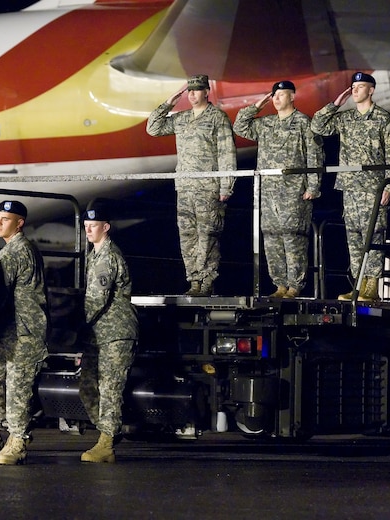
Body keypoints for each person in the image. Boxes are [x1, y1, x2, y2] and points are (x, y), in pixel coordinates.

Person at [311, 72, 390, 301]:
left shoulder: (384, 119)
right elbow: (318, 125)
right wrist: (335, 104)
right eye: (353, 87)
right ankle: (358, 285)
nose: (355, 90)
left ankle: (371, 286)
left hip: (373, 188)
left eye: (360, 86)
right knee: (353, 239)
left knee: (373, 236)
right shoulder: (346, 117)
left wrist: (389, 188)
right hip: (350, 188)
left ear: (371, 90)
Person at [146, 74, 237, 296]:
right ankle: (194, 280)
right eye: (189, 90)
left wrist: (227, 185)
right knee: (187, 235)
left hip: (208, 186)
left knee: (208, 234)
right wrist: (168, 104)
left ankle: (207, 281)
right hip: (185, 187)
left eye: (197, 90)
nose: (192, 94)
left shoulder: (217, 117)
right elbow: (153, 128)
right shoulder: (182, 118)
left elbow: (227, 152)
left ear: (207, 91)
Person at [233, 80, 324, 298]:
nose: (276, 98)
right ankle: (280, 285)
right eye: (274, 95)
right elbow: (239, 127)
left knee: (293, 238)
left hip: (293, 191)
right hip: (268, 192)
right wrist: (256, 106)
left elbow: (315, 155)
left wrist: (313, 186)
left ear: (292, 97)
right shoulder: (266, 123)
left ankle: (295, 286)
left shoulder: (304, 123)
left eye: (281, 94)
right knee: (271, 238)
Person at [0, 200, 48, 465]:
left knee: (18, 388)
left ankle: (18, 440)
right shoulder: (10, 251)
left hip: (23, 332)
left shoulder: (16, 251)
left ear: (19, 223)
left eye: (5, 219)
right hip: (9, 331)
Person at [78, 207, 138, 463]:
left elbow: (96, 299)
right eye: (86, 225)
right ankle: (109, 430)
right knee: (88, 388)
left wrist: (75, 327)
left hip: (116, 333)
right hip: (99, 334)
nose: (88, 229)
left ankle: (106, 444)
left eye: (94, 224)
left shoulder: (107, 257)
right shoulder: (95, 255)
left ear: (106, 227)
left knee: (110, 388)